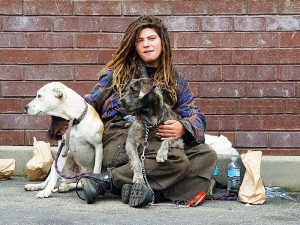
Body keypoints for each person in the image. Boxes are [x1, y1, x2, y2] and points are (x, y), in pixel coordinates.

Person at [62, 15, 217, 207]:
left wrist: (183, 127)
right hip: (121, 138)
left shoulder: (175, 81)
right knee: (177, 160)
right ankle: (105, 180)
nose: (146, 44)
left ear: (163, 42)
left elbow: (196, 115)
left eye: (151, 38)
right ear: (134, 46)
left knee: (205, 155)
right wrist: (64, 117)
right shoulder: (119, 72)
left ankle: (144, 191)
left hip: (156, 138)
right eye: (140, 41)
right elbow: (91, 101)